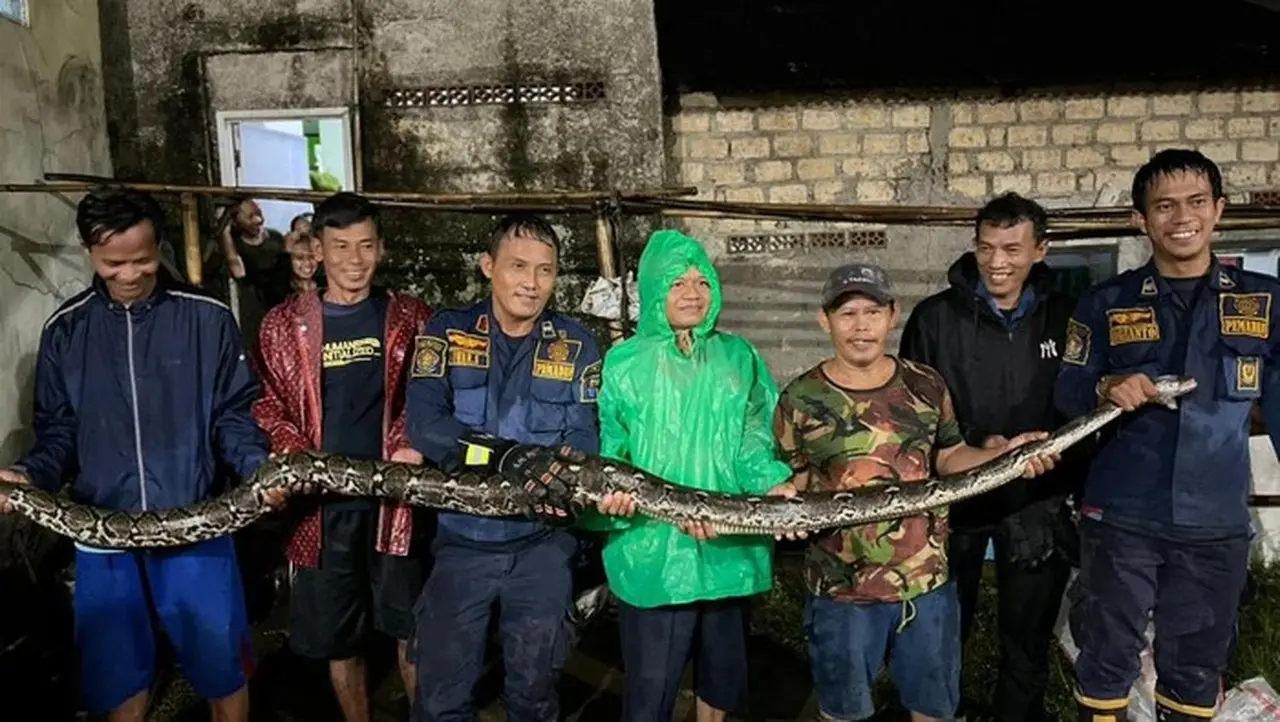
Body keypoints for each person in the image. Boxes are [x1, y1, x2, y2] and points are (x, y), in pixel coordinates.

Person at [0, 188, 278, 722]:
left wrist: (256, 469)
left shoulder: (208, 320)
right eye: (114, 264)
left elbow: (234, 416)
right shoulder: (66, 331)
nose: (130, 274)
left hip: (196, 524)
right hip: (103, 535)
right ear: (88, 253)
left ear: (161, 246)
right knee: (118, 675)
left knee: (223, 668)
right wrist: (29, 474)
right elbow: (58, 432)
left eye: (143, 259)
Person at [774, 262, 1060, 722]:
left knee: (933, 712)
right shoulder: (800, 398)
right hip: (841, 594)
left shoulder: (925, 384)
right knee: (845, 714)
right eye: (846, 313)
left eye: (872, 311)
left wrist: (1007, 455)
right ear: (824, 320)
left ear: (893, 314)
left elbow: (949, 458)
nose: (861, 325)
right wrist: (784, 500)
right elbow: (796, 478)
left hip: (927, 589)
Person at [1054, 148, 1280, 722]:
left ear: (1219, 209)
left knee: (1197, 667)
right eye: (1164, 206)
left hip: (1216, 522)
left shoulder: (1263, 300)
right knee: (1105, 659)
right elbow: (1067, 391)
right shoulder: (1105, 302)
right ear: (1141, 220)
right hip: (1123, 517)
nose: (1182, 217)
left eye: (1196, 202)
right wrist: (1108, 385)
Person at [584, 229, 798, 722]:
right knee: (650, 692)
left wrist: (769, 482)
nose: (693, 293)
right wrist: (608, 502)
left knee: (720, 686)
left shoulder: (737, 357)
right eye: (678, 282)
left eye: (702, 281)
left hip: (726, 547)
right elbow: (610, 448)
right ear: (656, 289)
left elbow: (753, 438)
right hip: (652, 553)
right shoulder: (623, 364)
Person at [403, 213, 603, 722]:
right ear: (488, 266)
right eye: (518, 266)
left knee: (534, 697)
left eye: (545, 270)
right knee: (441, 699)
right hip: (460, 547)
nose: (531, 284)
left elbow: (583, 435)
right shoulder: (446, 332)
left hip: (542, 548)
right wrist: (503, 455)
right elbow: (427, 425)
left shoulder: (579, 346)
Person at [898, 192, 1087, 722]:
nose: (997, 262)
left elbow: (1083, 402)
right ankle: (944, 713)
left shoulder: (1069, 319)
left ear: (1041, 250)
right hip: (954, 500)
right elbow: (915, 412)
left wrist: (1059, 460)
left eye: (1012, 248)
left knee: (1026, 641)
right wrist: (981, 447)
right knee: (940, 635)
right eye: (986, 248)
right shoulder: (934, 319)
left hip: (1037, 498)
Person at [251, 192, 433, 722]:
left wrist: (412, 442)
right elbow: (265, 403)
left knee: (410, 626)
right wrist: (295, 451)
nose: (355, 260)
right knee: (339, 636)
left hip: (395, 502)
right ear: (316, 251)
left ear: (381, 248)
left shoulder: (410, 317)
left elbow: (432, 392)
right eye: (341, 247)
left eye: (367, 246)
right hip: (321, 509)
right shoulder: (282, 326)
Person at [220, 198, 291, 348]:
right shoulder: (235, 246)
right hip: (253, 312)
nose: (258, 220)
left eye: (258, 213)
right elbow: (238, 271)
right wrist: (224, 231)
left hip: (280, 310)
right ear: (235, 221)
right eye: (250, 216)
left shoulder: (276, 239)